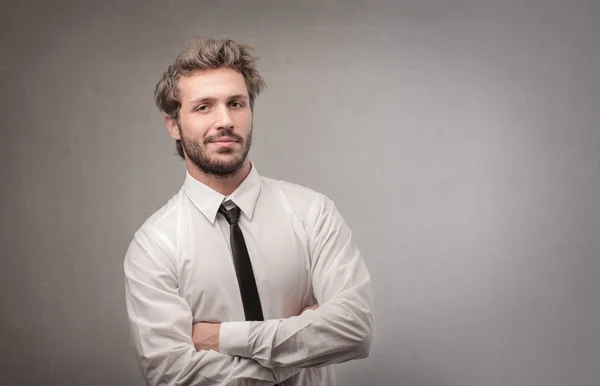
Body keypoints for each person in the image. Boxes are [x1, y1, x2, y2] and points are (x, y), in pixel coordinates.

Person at [123, 37, 375, 386]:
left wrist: (223, 337)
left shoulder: (312, 213)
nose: (225, 120)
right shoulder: (154, 245)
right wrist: (302, 348)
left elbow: (355, 329)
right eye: (203, 107)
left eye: (236, 103)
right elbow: (174, 377)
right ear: (173, 126)